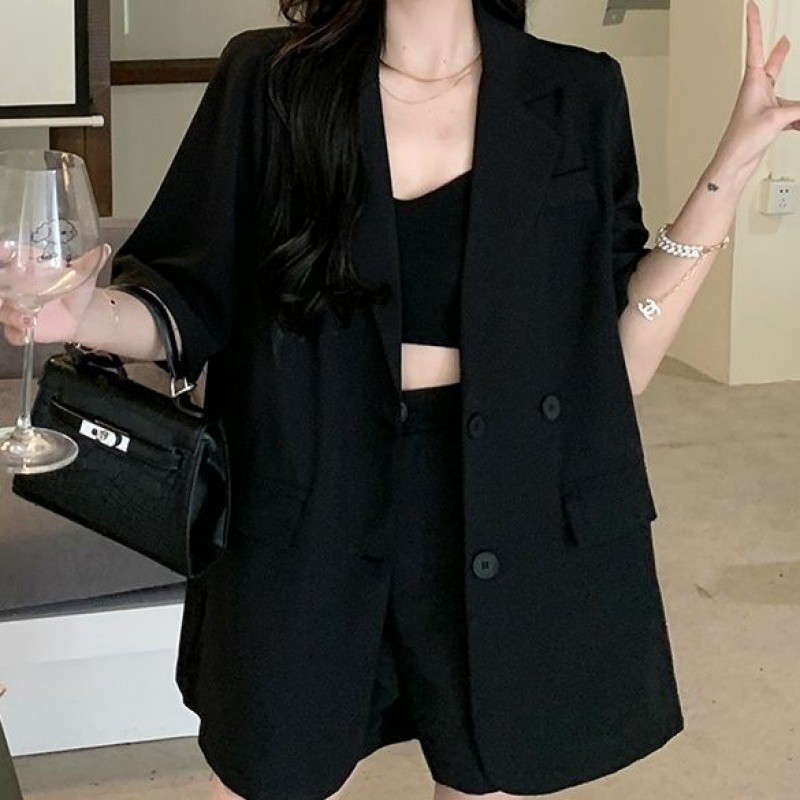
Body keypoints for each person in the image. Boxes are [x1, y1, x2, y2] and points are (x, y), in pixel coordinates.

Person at [1, 1, 796, 798]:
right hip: (309, 486)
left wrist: (732, 163)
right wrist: (80, 316)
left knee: (487, 767)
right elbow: (189, 295)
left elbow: (615, 360)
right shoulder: (272, 80)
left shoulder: (576, 91)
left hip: (507, 492)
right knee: (273, 768)